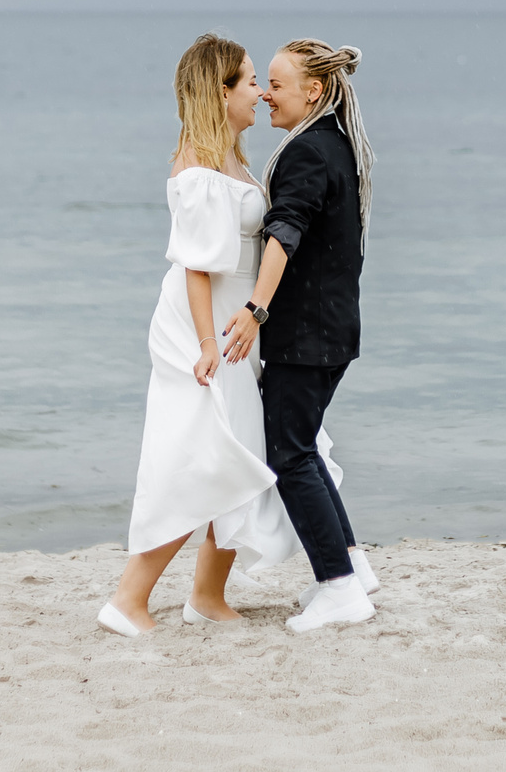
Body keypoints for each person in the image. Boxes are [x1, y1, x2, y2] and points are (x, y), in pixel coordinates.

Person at [99, 34, 315, 636]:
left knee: (238, 450)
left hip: (234, 325)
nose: (260, 91)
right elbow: (196, 265)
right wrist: (206, 344)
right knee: (201, 456)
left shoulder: (233, 157)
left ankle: (206, 594)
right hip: (201, 328)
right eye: (249, 81)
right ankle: (128, 599)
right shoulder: (196, 161)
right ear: (219, 91)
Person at [220, 39, 379, 633]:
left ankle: (338, 588)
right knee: (302, 446)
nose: (266, 94)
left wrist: (254, 309)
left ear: (313, 90)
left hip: (305, 332)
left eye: (278, 85)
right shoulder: (335, 142)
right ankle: (353, 568)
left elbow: (285, 233)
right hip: (332, 327)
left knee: (288, 455)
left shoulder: (307, 152)